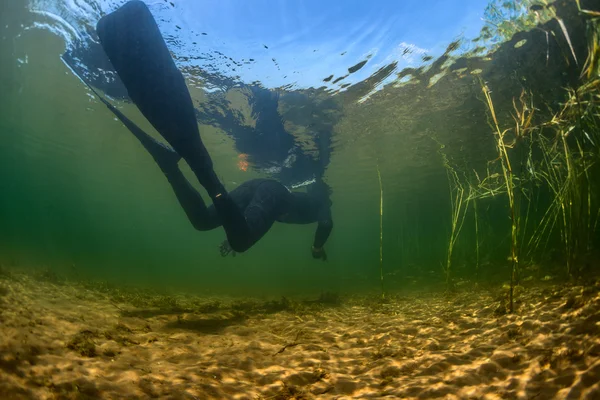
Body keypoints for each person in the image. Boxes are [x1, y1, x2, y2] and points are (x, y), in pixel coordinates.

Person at [90, 0, 332, 259]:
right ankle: (206, 174)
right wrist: (317, 248)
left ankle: (170, 167)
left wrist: (237, 225)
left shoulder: (308, 194)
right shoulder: (322, 207)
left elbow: (257, 212)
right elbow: (327, 224)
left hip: (258, 188)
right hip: (270, 193)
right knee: (241, 242)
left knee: (203, 222)